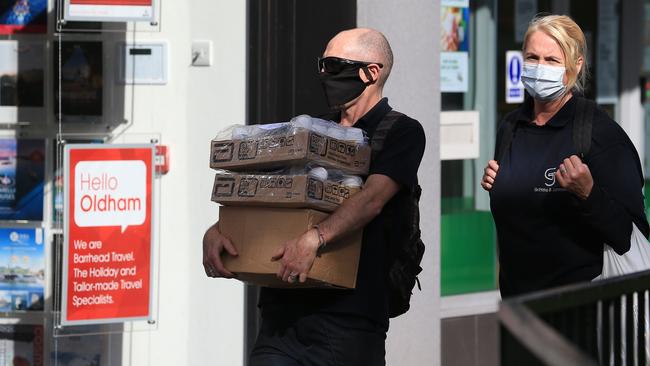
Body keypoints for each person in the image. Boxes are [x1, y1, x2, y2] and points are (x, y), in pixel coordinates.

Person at [203, 28, 426, 365]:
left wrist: (315, 238)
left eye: (335, 66)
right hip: (282, 315)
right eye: (322, 65)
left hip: (349, 320)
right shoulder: (309, 131)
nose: (324, 74)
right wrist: (220, 229)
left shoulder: (401, 132)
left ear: (372, 72)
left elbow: (372, 199)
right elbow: (268, 192)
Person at [481, 15, 649, 297]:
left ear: (575, 66)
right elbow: (522, 214)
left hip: (578, 311)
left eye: (552, 60)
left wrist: (589, 193)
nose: (539, 67)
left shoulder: (598, 133)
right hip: (518, 309)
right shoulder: (511, 127)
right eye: (532, 57)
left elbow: (627, 235)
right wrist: (501, 184)